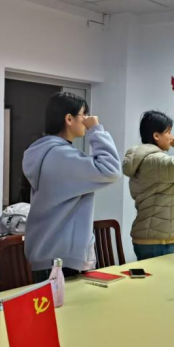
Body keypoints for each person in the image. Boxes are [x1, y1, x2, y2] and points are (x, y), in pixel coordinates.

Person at [23, 92, 121, 282]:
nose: (86, 120)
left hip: (46, 252)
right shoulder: (61, 156)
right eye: (84, 114)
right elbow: (111, 169)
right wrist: (96, 130)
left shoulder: (42, 152)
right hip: (62, 257)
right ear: (69, 119)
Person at [123, 110, 174, 261]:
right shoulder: (155, 161)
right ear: (156, 136)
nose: (171, 137)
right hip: (157, 241)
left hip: (153, 237)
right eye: (168, 132)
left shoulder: (147, 159)